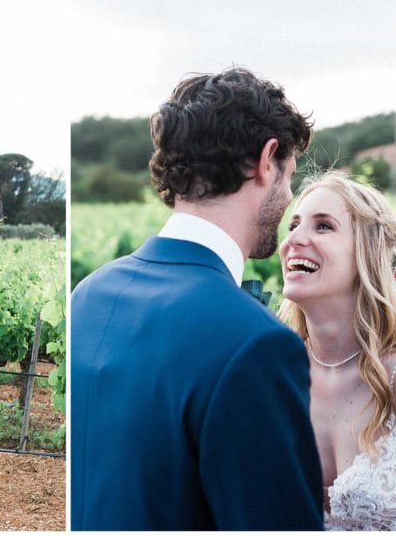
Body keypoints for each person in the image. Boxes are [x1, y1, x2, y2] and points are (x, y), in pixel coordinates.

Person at [70, 67, 323, 530]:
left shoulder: (87, 296)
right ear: (267, 161)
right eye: (289, 175)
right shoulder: (256, 345)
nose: (288, 195)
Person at [277, 171, 396, 531]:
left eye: (323, 227)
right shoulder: (280, 375)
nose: (294, 240)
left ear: (368, 252)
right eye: (293, 226)